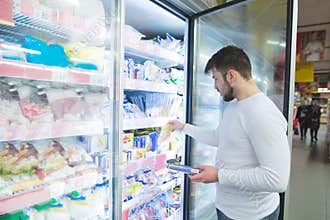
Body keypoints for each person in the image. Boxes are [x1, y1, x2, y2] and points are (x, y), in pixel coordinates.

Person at [168, 46, 290, 220]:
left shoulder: (262, 114)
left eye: (216, 79)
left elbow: (277, 179)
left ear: (231, 76)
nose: (215, 86)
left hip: (252, 215)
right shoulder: (235, 105)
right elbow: (220, 137)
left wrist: (219, 175)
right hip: (227, 207)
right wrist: (183, 127)